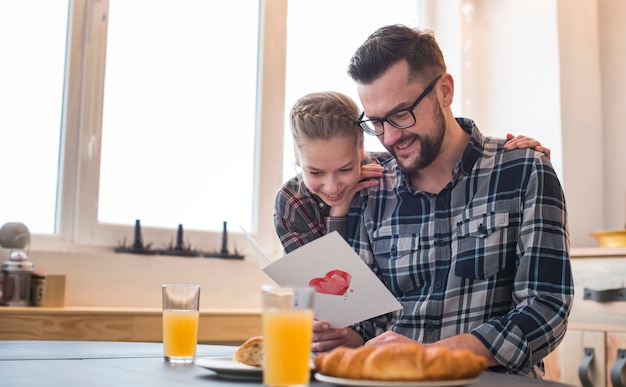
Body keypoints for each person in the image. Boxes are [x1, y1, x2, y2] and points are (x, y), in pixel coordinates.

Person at [310, 25, 573, 378]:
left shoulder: (524, 170)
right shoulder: (370, 188)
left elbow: (546, 310)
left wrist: (432, 355)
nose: (389, 137)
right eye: (376, 122)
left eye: (402, 114)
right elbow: (369, 323)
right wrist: (342, 336)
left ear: (445, 90)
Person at [274, 92, 549, 254]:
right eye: (316, 172)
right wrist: (339, 213)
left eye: (346, 169)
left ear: (362, 151)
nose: (332, 186)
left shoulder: (390, 174)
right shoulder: (292, 202)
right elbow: (328, 287)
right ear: (297, 161)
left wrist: (521, 157)